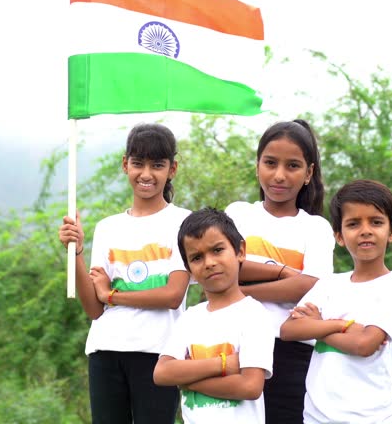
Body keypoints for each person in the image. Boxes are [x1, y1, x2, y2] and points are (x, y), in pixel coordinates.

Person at [58, 123, 191, 424]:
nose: (146, 174)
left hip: (159, 354)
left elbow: (172, 295)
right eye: (138, 163)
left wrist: (113, 295)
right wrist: (77, 251)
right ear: (124, 165)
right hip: (106, 352)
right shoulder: (107, 227)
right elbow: (95, 308)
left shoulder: (185, 223)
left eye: (157, 165)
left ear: (172, 169)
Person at [224, 119, 334, 423]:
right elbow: (225, 265)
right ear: (258, 164)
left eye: (293, 166)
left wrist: (241, 292)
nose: (279, 175)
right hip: (234, 346)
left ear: (309, 172)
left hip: (291, 353)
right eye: (270, 163)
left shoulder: (315, 228)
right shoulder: (238, 214)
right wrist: (284, 273)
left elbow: (311, 285)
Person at [280, 179, 392, 424]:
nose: (365, 230)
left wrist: (318, 325)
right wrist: (340, 326)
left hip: (367, 418)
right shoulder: (329, 285)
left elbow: (364, 346)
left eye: (376, 222)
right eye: (353, 223)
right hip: (315, 417)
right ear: (339, 236)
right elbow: (289, 329)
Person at [153, 208, 274, 424]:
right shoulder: (190, 318)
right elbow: (162, 373)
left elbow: (250, 386)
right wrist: (224, 364)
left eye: (217, 250)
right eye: (197, 257)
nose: (209, 263)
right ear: (188, 268)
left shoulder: (255, 315)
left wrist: (187, 380)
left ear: (240, 251)